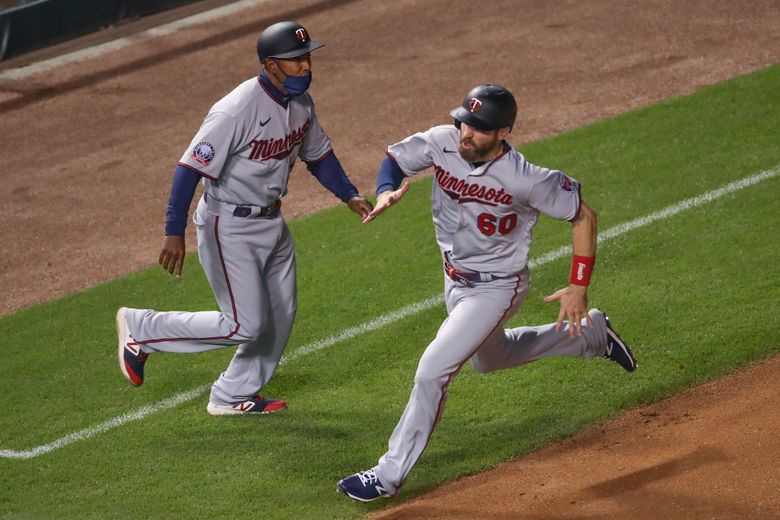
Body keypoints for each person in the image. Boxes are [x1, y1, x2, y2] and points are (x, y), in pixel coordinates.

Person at [336, 84, 636, 502]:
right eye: (464, 121)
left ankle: (388, 475)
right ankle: (590, 335)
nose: (465, 133)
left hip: (497, 287)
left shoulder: (527, 179)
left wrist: (578, 285)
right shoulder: (443, 142)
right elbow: (395, 159)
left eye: (478, 128)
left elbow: (584, 216)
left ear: (502, 132)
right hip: (453, 278)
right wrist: (386, 188)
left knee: (432, 370)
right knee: (490, 359)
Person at [115, 21, 372, 415]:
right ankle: (144, 329)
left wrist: (349, 196)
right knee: (243, 324)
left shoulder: (302, 104)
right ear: (270, 65)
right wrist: (174, 231)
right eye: (294, 60)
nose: (305, 66)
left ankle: (233, 395)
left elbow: (318, 156)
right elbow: (189, 169)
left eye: (306, 57)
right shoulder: (235, 110)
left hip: (272, 223)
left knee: (281, 313)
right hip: (228, 226)